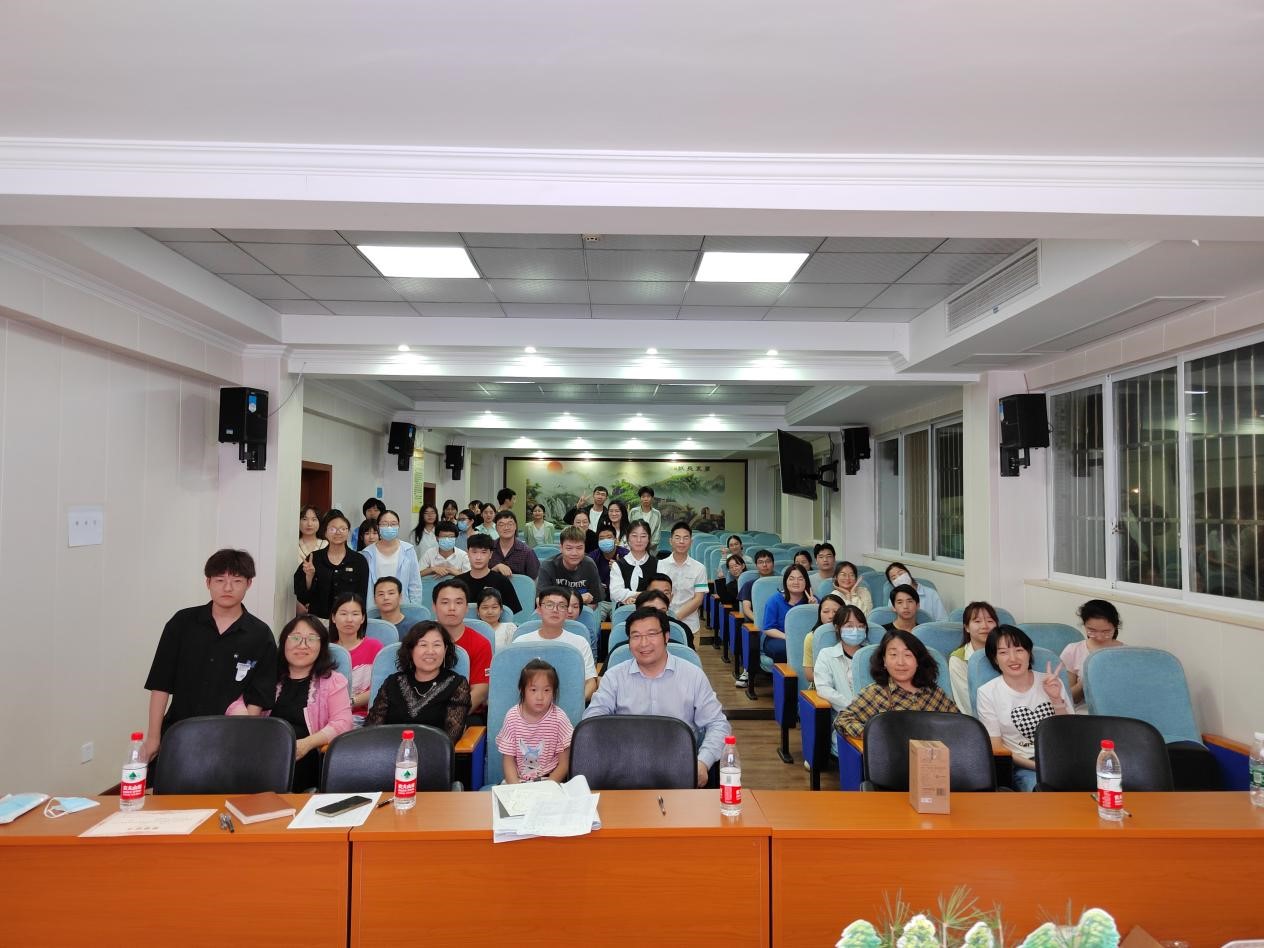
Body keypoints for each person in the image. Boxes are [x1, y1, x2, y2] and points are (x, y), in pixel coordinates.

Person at [143, 549, 277, 760]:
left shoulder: (260, 634)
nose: (227, 588)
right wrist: (153, 736)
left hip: (230, 739)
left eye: (237, 581)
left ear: (249, 583)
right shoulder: (182, 623)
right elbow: (161, 683)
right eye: (219, 580)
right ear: (208, 582)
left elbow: (259, 696)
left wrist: (244, 737)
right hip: (179, 732)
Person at [584, 608, 732, 787]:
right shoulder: (614, 677)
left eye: (651, 634)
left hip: (679, 766)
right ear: (629, 642)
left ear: (666, 637)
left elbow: (718, 724)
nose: (643, 643)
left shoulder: (693, 676)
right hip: (625, 767)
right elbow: (592, 722)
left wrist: (703, 762)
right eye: (636, 636)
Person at [233, 615, 352, 792]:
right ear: (283, 642)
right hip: (261, 754)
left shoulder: (333, 681)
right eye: (295, 638)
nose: (302, 645)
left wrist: (307, 744)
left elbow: (343, 723)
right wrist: (248, 726)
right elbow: (235, 703)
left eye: (311, 639)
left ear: (322, 646)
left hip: (305, 758)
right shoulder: (266, 675)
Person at [976, 624, 1073, 791]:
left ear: (1029, 653)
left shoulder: (1051, 682)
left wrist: (1056, 699)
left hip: (1061, 758)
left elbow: (1070, 732)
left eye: (1019, 650)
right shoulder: (987, 692)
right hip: (1024, 765)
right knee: (1043, 793)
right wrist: (1038, 766)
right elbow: (997, 747)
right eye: (1003, 652)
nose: (1013, 658)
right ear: (995, 659)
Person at [834, 629, 959, 739]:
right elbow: (842, 720)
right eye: (893, 655)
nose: (900, 662)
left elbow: (958, 724)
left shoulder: (934, 693)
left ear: (918, 661)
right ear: (884, 661)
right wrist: (876, 734)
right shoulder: (875, 693)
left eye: (907, 655)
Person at [364, 621, 471, 742]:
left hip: (435, 751)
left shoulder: (457, 685)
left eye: (436, 645)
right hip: (388, 749)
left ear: (445, 649)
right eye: (423, 645)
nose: (430, 651)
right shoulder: (393, 682)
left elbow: (450, 738)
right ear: (411, 650)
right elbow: (371, 729)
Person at [497, 659, 573, 783]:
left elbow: (564, 764)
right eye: (533, 690)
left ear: (554, 692)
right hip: (518, 781)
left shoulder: (559, 718)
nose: (540, 697)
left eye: (546, 690)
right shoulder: (512, 717)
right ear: (522, 690)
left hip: (549, 781)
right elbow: (508, 761)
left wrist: (545, 788)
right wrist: (515, 789)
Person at [517, 586, 598, 700]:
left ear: (566, 611)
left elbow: (590, 682)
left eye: (561, 606)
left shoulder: (580, 643)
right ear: (539, 609)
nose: (555, 610)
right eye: (549, 605)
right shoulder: (521, 642)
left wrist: (576, 704)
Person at [431, 578, 492, 718]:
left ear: (466, 608)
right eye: (445, 602)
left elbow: (480, 691)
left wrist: (451, 717)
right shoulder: (419, 639)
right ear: (434, 606)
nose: (452, 608)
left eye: (458, 602)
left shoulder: (480, 643)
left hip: (465, 715)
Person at [295, 509, 370, 620]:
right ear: (325, 532)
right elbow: (302, 597)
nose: (338, 532)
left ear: (348, 532)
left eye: (343, 529)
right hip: (318, 620)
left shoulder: (359, 561)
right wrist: (309, 577)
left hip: (348, 620)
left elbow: (362, 596)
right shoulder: (314, 558)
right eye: (332, 529)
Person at [328, 592, 383, 721]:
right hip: (329, 716)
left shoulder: (375, 647)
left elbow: (379, 687)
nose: (349, 619)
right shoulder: (326, 650)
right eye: (343, 614)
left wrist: (349, 702)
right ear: (333, 618)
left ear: (363, 618)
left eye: (355, 614)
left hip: (363, 717)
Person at [1062, 599, 1127, 707]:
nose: (1099, 637)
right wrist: (1086, 681)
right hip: (1085, 711)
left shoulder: (1127, 653)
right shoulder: (1073, 650)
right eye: (1092, 630)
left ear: (1115, 627)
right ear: (1084, 625)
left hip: (1119, 709)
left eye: (1106, 631)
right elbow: (1067, 698)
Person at [757, 563, 817, 668]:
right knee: (784, 649)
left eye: (800, 579)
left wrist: (813, 608)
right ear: (785, 581)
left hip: (805, 640)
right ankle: (788, 677)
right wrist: (789, 638)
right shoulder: (774, 600)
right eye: (791, 579)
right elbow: (768, 628)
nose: (796, 582)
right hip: (779, 638)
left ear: (806, 582)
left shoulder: (813, 600)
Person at [814, 605, 870, 714]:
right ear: (837, 628)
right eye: (849, 626)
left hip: (876, 713)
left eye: (861, 626)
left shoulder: (873, 654)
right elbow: (824, 689)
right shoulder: (827, 655)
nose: (856, 630)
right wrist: (852, 707)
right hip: (845, 713)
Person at [656, 521, 708, 637]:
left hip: (691, 627)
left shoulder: (700, 568)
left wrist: (675, 618)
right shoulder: (659, 565)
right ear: (670, 541)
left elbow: (698, 599)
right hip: (662, 626)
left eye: (685, 538)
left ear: (691, 542)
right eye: (677, 537)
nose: (681, 541)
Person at [362, 508, 423, 604]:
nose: (389, 528)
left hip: (402, 606)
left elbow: (415, 583)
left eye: (393, 524)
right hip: (375, 606)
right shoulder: (367, 553)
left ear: (398, 526)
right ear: (378, 527)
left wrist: (415, 607)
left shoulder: (408, 550)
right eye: (384, 524)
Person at [535, 526, 605, 608]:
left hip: (581, 613)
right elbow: (540, 601)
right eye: (569, 548)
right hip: (554, 612)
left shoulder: (589, 565)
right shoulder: (548, 566)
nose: (574, 553)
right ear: (561, 548)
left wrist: (573, 610)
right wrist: (578, 599)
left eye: (579, 548)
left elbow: (594, 602)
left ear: (584, 548)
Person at [948, 601, 999, 713]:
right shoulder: (958, 659)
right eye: (977, 621)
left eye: (990, 621)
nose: (985, 626)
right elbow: (967, 702)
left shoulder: (1005, 652)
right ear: (967, 627)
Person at [460, 532, 523, 615]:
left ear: (490, 554)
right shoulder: (459, 582)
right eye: (474, 552)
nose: (478, 557)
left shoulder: (502, 582)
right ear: (467, 553)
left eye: (483, 552)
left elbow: (511, 614)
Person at [608, 520, 659, 605]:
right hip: (624, 611)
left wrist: (631, 596)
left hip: (651, 610)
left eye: (643, 536)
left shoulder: (658, 564)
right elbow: (615, 595)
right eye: (634, 536)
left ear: (649, 539)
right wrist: (644, 595)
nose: (639, 540)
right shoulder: (618, 565)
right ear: (628, 538)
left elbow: (660, 593)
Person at [801, 592, 845, 685]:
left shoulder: (850, 635)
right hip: (821, 685)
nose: (831, 616)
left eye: (836, 612)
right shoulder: (811, 637)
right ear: (819, 614)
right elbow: (809, 675)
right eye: (825, 611)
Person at [490, 510, 541, 579]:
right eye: (501, 525)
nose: (506, 528)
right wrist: (496, 568)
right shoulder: (488, 548)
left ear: (515, 526)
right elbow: (481, 576)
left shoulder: (527, 552)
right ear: (496, 528)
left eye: (510, 524)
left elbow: (534, 580)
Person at [587, 524, 626, 608]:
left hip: (620, 600)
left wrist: (619, 569)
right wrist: (596, 584)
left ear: (616, 539)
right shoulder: (592, 557)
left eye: (609, 537)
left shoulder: (626, 555)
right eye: (601, 538)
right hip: (600, 600)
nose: (605, 540)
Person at [740, 549, 776, 623]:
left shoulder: (782, 583)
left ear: (773, 564)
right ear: (756, 565)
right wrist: (759, 622)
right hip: (757, 623)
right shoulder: (749, 585)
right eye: (760, 562)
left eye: (768, 561)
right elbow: (746, 609)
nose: (764, 565)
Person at [628, 485, 662, 551]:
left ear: (652, 498)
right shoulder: (633, 512)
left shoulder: (657, 513)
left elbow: (657, 532)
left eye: (648, 496)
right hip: (634, 546)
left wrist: (649, 546)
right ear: (640, 498)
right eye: (643, 496)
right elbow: (628, 529)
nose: (646, 499)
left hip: (651, 548)